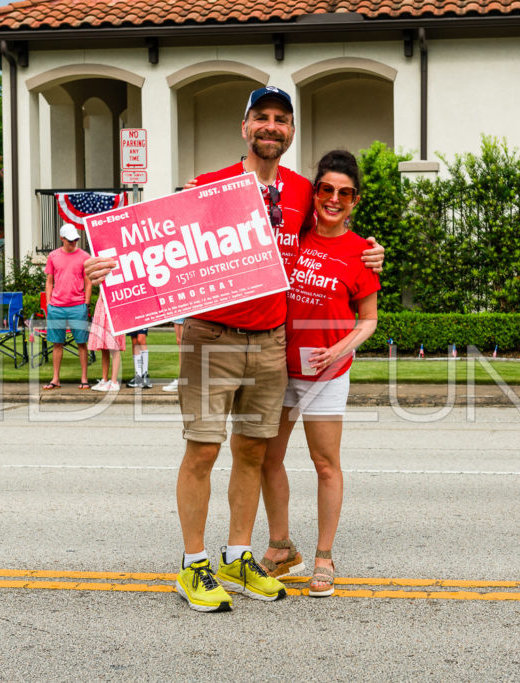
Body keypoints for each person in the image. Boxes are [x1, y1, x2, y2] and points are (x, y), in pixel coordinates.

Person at [84, 85, 384, 613]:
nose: (271, 127)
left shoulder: (299, 192)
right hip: (211, 338)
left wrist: (372, 253)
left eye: (281, 120)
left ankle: (239, 554)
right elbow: (155, 241)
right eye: (261, 118)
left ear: (291, 132)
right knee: (203, 450)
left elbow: (335, 235)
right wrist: (105, 262)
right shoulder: (209, 186)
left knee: (251, 452)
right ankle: (193, 564)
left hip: (271, 342)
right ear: (245, 127)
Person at [260, 150, 379, 598]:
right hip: (278, 367)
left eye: (344, 193)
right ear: (315, 192)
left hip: (325, 375)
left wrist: (338, 350)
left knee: (325, 465)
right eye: (326, 189)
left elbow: (368, 320)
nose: (333, 199)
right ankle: (280, 547)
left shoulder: (362, 253)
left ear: (355, 201)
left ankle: (324, 556)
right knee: (269, 459)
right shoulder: (293, 236)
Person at [42, 223, 92, 391]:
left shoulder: (85, 256)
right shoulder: (53, 256)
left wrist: (86, 302)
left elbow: (88, 281)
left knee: (82, 343)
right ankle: (55, 378)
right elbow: (49, 281)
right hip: (56, 307)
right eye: (70, 240)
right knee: (57, 343)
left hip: (78, 306)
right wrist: (49, 303)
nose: (73, 243)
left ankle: (84, 378)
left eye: (75, 239)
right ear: (62, 238)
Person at [88, 293, 124, 392]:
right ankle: (104, 379)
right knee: (104, 348)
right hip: (102, 307)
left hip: (113, 308)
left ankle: (114, 381)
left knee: (114, 349)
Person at [161, 318, 185, 392]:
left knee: (184, 344)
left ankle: (184, 380)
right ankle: (181, 379)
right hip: (178, 312)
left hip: (185, 311)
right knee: (180, 343)